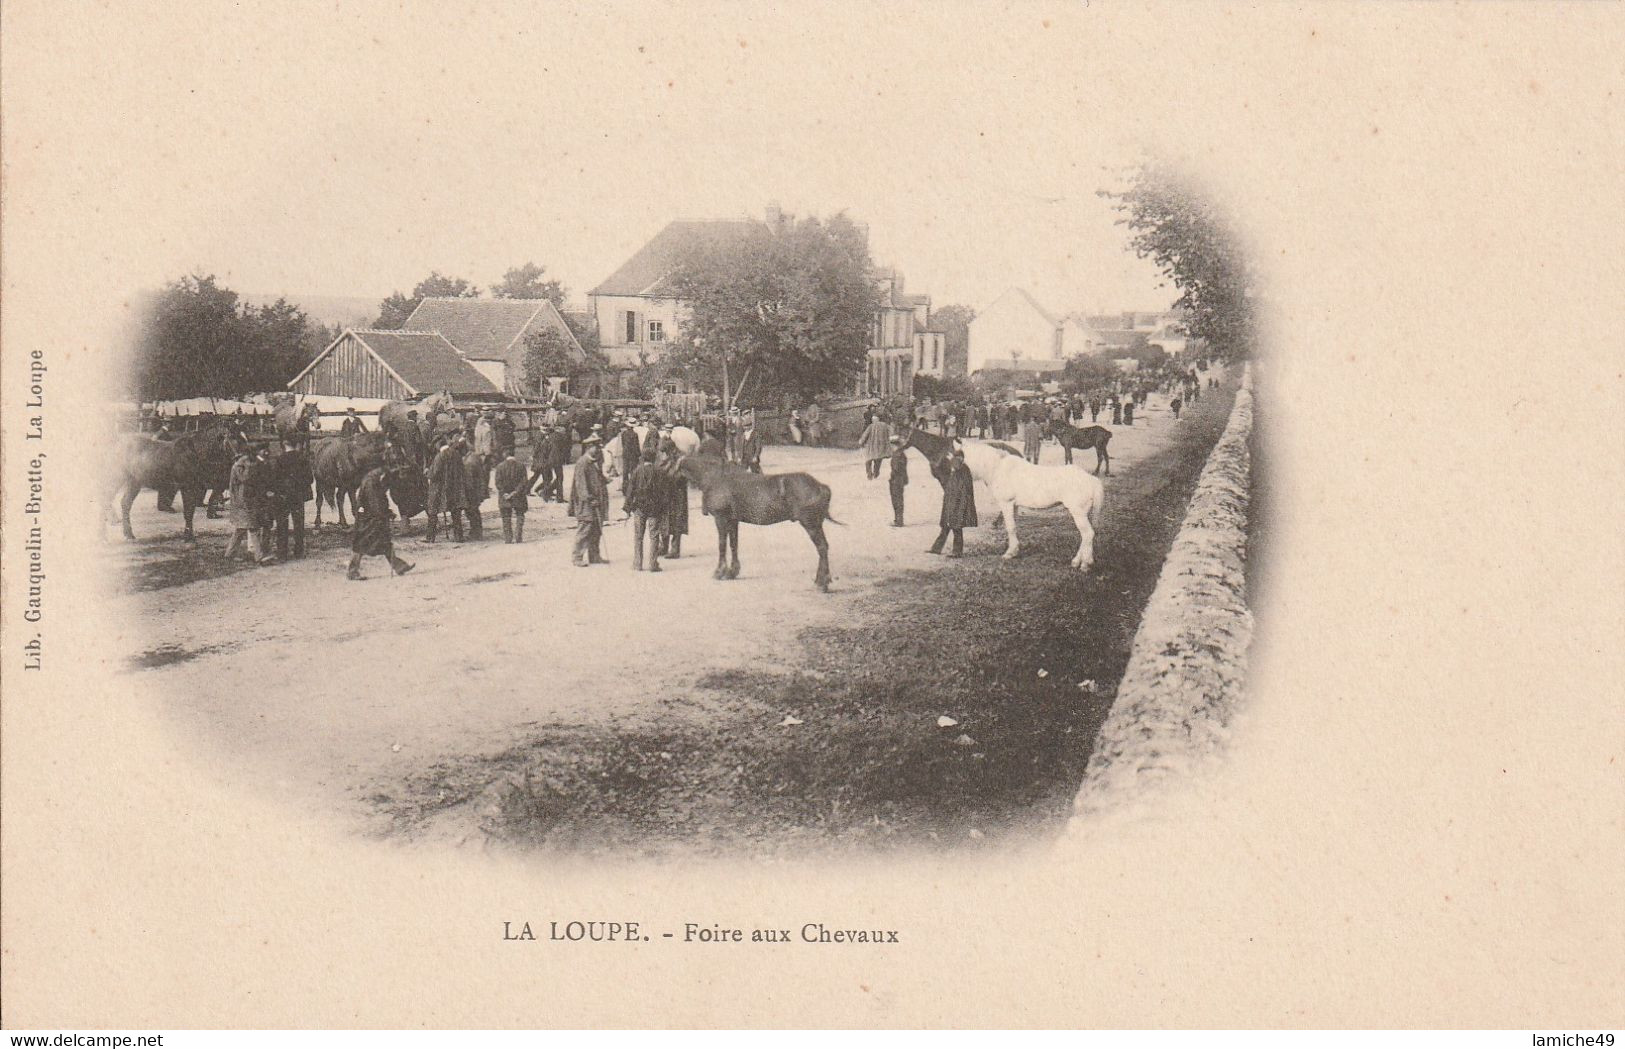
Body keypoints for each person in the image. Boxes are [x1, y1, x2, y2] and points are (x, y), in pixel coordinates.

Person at [347, 465, 414, 580]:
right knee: (360, 545)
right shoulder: (371, 483)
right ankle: (352, 572)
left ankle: (399, 566)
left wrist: (387, 511)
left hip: (374, 519)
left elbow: (380, 500)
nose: (387, 488)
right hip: (367, 520)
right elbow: (375, 504)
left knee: (385, 543)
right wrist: (386, 514)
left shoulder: (377, 479)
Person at [224, 447, 277, 565]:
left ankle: (229, 554)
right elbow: (245, 478)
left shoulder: (240, 464)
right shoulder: (240, 466)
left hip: (242, 502)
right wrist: (251, 466)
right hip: (242, 502)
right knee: (252, 527)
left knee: (240, 529)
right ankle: (259, 557)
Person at [623, 446, 667, 572]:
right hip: (655, 508)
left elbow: (630, 490)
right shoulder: (659, 471)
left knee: (638, 536)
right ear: (654, 458)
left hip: (639, 508)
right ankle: (653, 564)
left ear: (643, 458)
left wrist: (627, 508)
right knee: (654, 536)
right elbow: (664, 492)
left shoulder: (637, 471)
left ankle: (637, 564)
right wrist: (664, 509)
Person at [569, 435, 610, 566]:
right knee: (585, 529)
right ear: (588, 447)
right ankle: (577, 557)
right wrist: (589, 499)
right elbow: (580, 485)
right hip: (587, 504)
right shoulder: (582, 463)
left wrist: (604, 480)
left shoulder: (594, 461)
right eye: (596, 446)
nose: (598, 449)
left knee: (596, 529)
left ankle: (595, 556)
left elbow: (597, 478)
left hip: (597, 502)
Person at [927, 448, 977, 557]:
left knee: (956, 528)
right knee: (945, 527)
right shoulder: (957, 470)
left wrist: (959, 506)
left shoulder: (963, 469)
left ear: (961, 459)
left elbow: (963, 491)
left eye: (956, 459)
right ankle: (936, 548)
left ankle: (957, 552)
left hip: (958, 505)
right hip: (952, 504)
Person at [269, 445, 313, 560]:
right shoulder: (302, 458)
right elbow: (310, 479)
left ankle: (282, 553)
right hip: (298, 496)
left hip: (283, 496)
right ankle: (299, 551)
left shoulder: (279, 459)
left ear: (284, 444)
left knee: (282, 524)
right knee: (299, 524)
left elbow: (274, 479)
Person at [426, 435, 471, 543]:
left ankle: (430, 537)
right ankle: (458, 536)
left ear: (437, 445)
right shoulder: (456, 454)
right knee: (456, 513)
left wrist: (428, 473)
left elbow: (435, 474)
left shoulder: (439, 457)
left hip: (441, 490)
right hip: (455, 488)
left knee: (433, 511)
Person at [493, 447, 529, 543]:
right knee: (520, 514)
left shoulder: (500, 467)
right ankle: (518, 536)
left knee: (505, 516)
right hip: (519, 495)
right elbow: (524, 481)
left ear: (505, 454)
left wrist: (505, 493)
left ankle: (508, 538)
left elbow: (498, 482)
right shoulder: (521, 466)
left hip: (504, 496)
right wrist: (515, 492)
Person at [661, 441, 689, 558]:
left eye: (666, 452)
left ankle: (675, 549)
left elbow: (681, 478)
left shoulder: (681, 461)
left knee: (677, 521)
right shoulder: (667, 460)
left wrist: (672, 471)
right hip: (667, 495)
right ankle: (664, 547)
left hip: (678, 496)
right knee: (665, 520)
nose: (664, 455)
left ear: (671, 450)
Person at [463, 444, 490, 539]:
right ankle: (477, 532)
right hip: (478, 489)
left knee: (472, 511)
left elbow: (469, 481)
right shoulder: (473, 456)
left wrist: (466, 492)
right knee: (474, 511)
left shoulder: (469, 462)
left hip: (472, 491)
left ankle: (476, 533)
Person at [859, 414, 891, 480]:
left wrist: (861, 442)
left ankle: (869, 474)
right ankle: (876, 473)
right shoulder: (885, 425)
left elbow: (865, 435)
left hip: (871, 447)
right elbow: (891, 431)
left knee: (868, 460)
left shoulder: (871, 426)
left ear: (874, 420)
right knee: (878, 460)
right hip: (881, 447)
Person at [887, 435, 909, 527]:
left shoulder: (897, 455)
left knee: (897, 500)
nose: (890, 447)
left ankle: (899, 521)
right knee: (898, 500)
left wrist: (892, 477)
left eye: (891, 445)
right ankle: (898, 520)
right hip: (900, 480)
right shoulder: (901, 454)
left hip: (896, 480)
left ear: (894, 445)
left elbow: (896, 469)